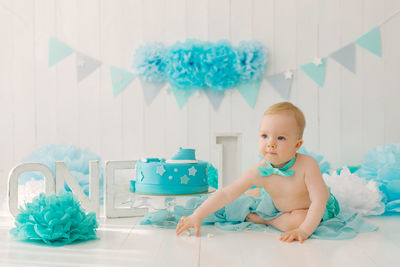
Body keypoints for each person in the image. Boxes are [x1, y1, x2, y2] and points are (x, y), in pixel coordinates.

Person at [176, 102, 334, 243]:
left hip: (307, 208)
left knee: (297, 222)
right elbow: (226, 194)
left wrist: (304, 231)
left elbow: (319, 200)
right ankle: (261, 195)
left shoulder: (307, 164)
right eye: (265, 136)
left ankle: (265, 220)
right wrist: (197, 215)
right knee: (245, 196)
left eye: (280, 138)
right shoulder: (259, 171)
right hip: (279, 204)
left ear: (297, 145)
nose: (270, 143)